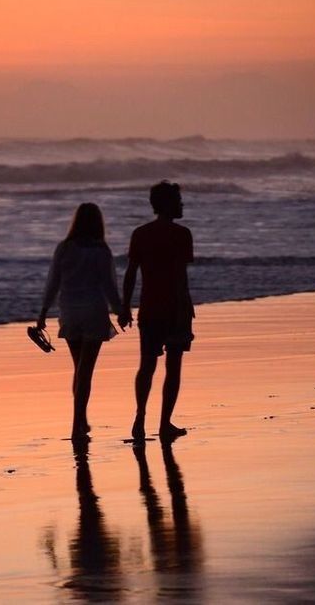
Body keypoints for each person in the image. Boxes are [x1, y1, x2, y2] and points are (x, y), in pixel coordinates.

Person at [37, 203, 122, 441]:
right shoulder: (100, 250)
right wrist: (120, 310)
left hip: (70, 312)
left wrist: (43, 311)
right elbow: (108, 285)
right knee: (85, 372)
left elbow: (53, 282)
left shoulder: (64, 248)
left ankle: (81, 420)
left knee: (79, 369)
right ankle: (77, 424)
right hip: (94, 312)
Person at [118, 181, 194, 442]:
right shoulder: (182, 234)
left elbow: (130, 274)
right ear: (168, 204)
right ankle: (164, 424)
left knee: (147, 366)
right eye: (179, 200)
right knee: (173, 368)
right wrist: (187, 309)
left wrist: (125, 306)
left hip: (149, 309)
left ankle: (140, 418)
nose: (182, 204)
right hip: (175, 309)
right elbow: (180, 278)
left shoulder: (140, 233)